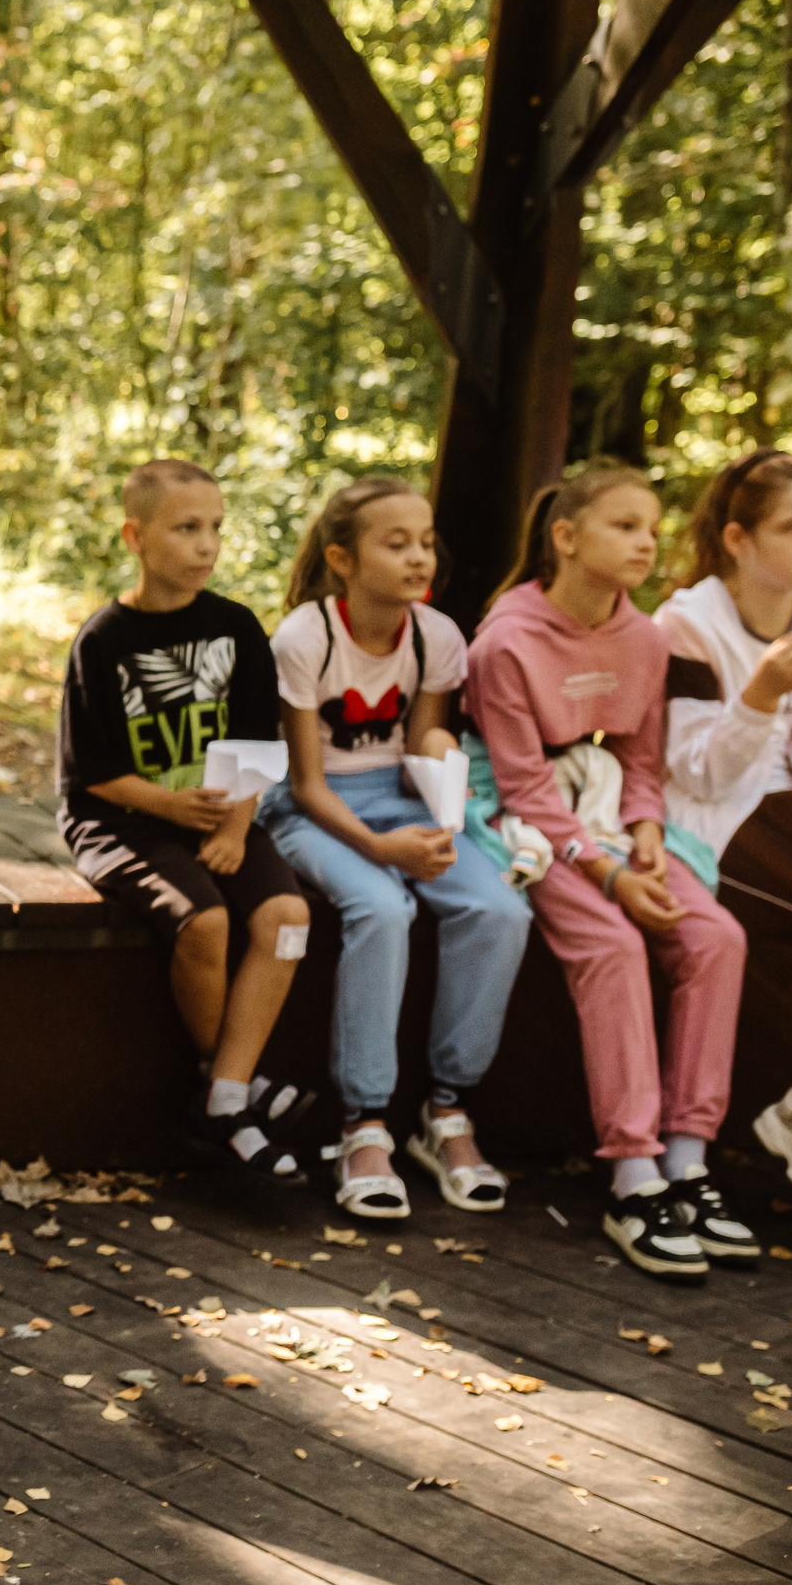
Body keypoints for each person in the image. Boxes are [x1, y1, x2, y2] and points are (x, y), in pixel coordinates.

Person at [466, 466, 753, 1282]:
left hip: (607, 817)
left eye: (651, 529)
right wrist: (608, 873)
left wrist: (647, 831)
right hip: (528, 824)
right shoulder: (507, 641)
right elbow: (522, 786)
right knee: (614, 946)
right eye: (625, 526)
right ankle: (633, 1173)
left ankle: (689, 1163)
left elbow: (639, 756)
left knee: (717, 938)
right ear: (566, 536)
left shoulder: (645, 637)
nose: (646, 543)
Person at [258, 479, 531, 1218]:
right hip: (316, 808)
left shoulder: (437, 635)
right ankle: (364, 1121)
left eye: (426, 540)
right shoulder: (305, 637)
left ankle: (446, 1110)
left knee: (500, 910)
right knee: (382, 906)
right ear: (343, 559)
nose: (419, 556)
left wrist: (445, 809)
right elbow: (308, 784)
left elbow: (422, 739)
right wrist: (383, 848)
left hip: (401, 797)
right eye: (396, 542)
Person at [50, 459, 313, 1176]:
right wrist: (172, 805)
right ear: (135, 536)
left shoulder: (236, 627)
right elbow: (92, 774)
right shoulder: (103, 640)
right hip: (122, 820)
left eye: (216, 528)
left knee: (287, 919)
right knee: (206, 922)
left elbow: (262, 742)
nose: (207, 545)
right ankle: (229, 1084)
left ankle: (223, 1096)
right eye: (187, 528)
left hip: (218, 816)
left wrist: (233, 829)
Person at [656, 449, 792, 1198]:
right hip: (709, 823)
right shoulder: (687, 624)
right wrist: (758, 696)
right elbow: (698, 771)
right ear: (737, 539)